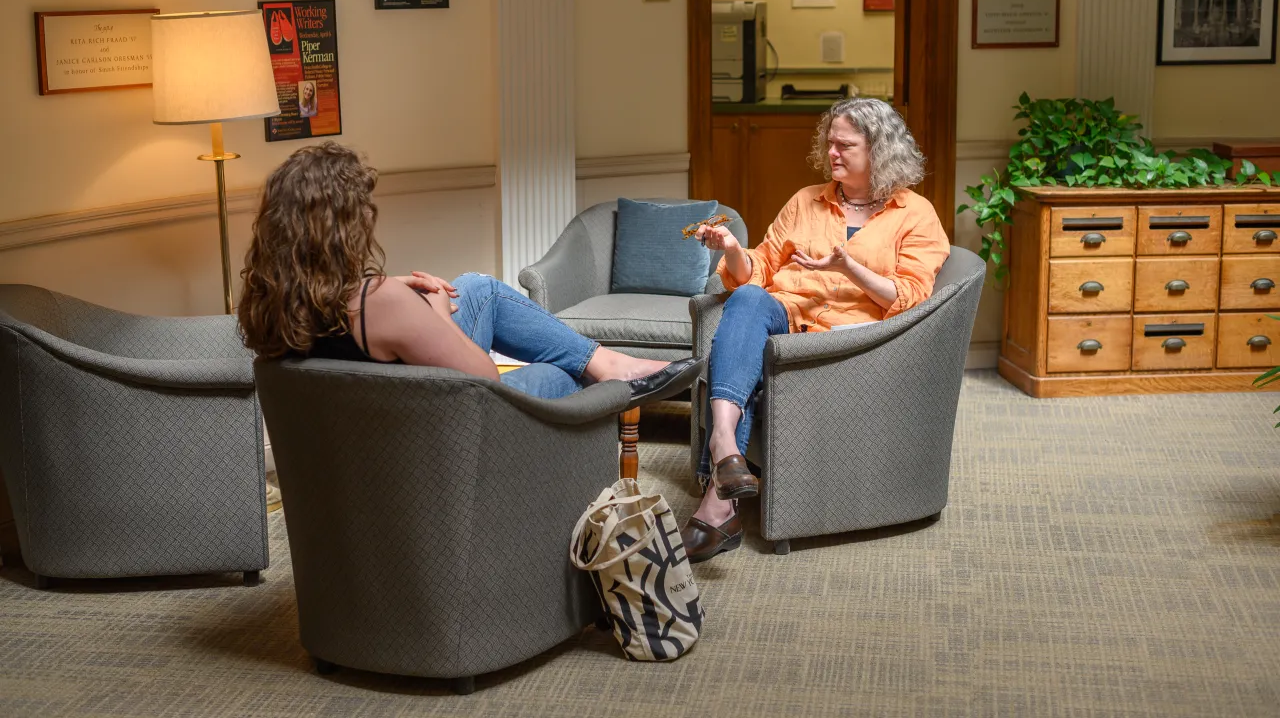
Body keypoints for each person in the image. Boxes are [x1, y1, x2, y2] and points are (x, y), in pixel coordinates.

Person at [681, 97, 950, 563]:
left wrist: (848, 266)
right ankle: (725, 442)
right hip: (786, 316)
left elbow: (909, 298)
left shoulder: (916, 214)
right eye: (830, 143)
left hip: (848, 340)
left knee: (741, 364)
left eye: (845, 145)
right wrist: (730, 249)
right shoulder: (806, 200)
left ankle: (716, 505)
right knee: (745, 299)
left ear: (880, 150)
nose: (833, 154)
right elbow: (757, 271)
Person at [238, 142, 701, 406]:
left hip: (372, 424)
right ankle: (612, 373)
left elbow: (353, 321)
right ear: (340, 230)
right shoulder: (379, 303)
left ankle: (609, 363)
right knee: (560, 375)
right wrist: (435, 312)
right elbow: (484, 378)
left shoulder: (270, 301)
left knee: (477, 288)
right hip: (441, 425)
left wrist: (395, 285)